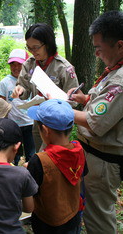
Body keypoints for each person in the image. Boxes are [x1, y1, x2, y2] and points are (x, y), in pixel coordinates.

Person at [68, 10, 123, 233]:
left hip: (103, 160)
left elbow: (94, 122)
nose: (96, 54)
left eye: (99, 49)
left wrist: (58, 110)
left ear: (120, 45)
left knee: (98, 218)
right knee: (92, 210)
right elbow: (109, 106)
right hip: (93, 155)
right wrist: (86, 99)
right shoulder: (121, 70)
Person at [12, 23, 79, 152]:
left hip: (57, 125)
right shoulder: (29, 64)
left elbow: (74, 100)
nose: (32, 51)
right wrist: (20, 91)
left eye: (36, 47)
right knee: (40, 157)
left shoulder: (63, 67)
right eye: (29, 47)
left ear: (47, 44)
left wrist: (56, 103)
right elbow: (24, 87)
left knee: (55, 157)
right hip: (38, 121)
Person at [27, 99, 85, 233]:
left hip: (47, 224)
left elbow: (29, 192)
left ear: (45, 131)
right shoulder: (79, 150)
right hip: (74, 216)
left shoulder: (39, 161)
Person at [0, 48, 35, 163]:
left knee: (31, 154)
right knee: (13, 154)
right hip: (13, 124)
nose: (16, 67)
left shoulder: (31, 81)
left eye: (19, 64)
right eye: (13, 64)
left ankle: (29, 177)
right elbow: (2, 105)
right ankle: (12, 175)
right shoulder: (5, 82)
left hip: (30, 122)